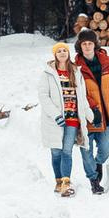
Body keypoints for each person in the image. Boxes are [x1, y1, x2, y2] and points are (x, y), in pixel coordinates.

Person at [72, 31, 109, 193]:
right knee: (86, 150)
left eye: (90, 43)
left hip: (107, 115)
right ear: (79, 46)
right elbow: (76, 92)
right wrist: (93, 107)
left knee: (106, 148)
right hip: (86, 116)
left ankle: (99, 163)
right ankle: (94, 180)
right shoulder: (75, 68)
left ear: (95, 44)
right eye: (84, 44)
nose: (87, 46)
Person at [39, 40, 83, 197]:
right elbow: (43, 97)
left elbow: (82, 96)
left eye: (65, 50)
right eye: (59, 51)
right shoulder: (48, 74)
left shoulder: (76, 72)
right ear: (55, 55)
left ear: (68, 53)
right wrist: (56, 115)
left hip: (72, 119)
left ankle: (66, 183)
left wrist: (89, 115)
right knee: (56, 152)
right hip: (54, 120)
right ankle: (58, 181)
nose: (62, 53)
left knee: (67, 151)